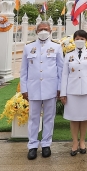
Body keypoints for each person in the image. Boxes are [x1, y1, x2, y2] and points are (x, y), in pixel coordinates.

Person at [20, 21, 63, 160]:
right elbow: (24, 71)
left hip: (51, 88)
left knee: (49, 117)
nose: (43, 31)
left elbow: (60, 69)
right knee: (33, 118)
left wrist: (59, 88)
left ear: (51, 31)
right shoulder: (28, 47)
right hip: (33, 88)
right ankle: (32, 145)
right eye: (41, 29)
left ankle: (46, 144)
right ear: (36, 31)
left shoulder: (56, 47)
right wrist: (24, 88)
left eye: (46, 29)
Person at [60, 29, 87, 156]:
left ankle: (82, 141)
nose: (79, 41)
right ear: (74, 40)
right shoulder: (68, 55)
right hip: (72, 91)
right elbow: (65, 74)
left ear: (86, 40)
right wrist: (63, 93)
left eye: (82, 39)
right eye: (77, 38)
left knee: (84, 118)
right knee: (74, 118)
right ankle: (74, 142)